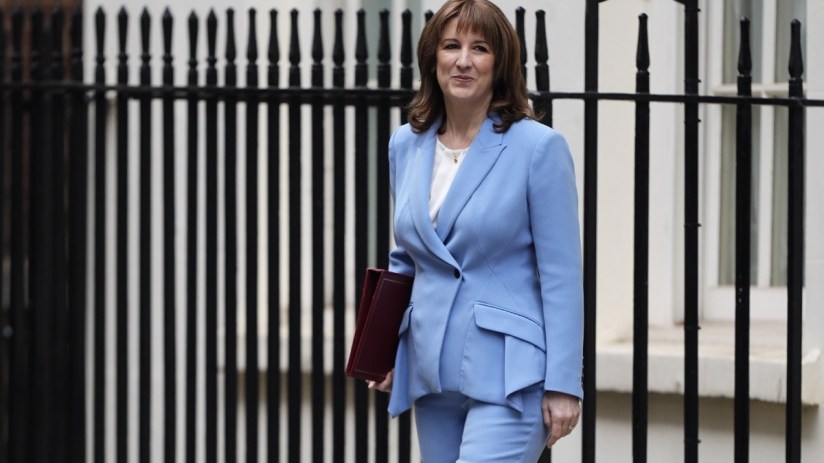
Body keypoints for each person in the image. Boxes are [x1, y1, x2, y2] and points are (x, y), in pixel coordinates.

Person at [368, 0, 583, 460]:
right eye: (451, 46)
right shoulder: (405, 144)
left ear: (498, 64)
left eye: (479, 48)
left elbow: (562, 273)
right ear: (433, 58)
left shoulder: (537, 148)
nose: (463, 60)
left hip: (510, 375)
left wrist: (564, 382)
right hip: (431, 367)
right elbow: (407, 256)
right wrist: (384, 347)